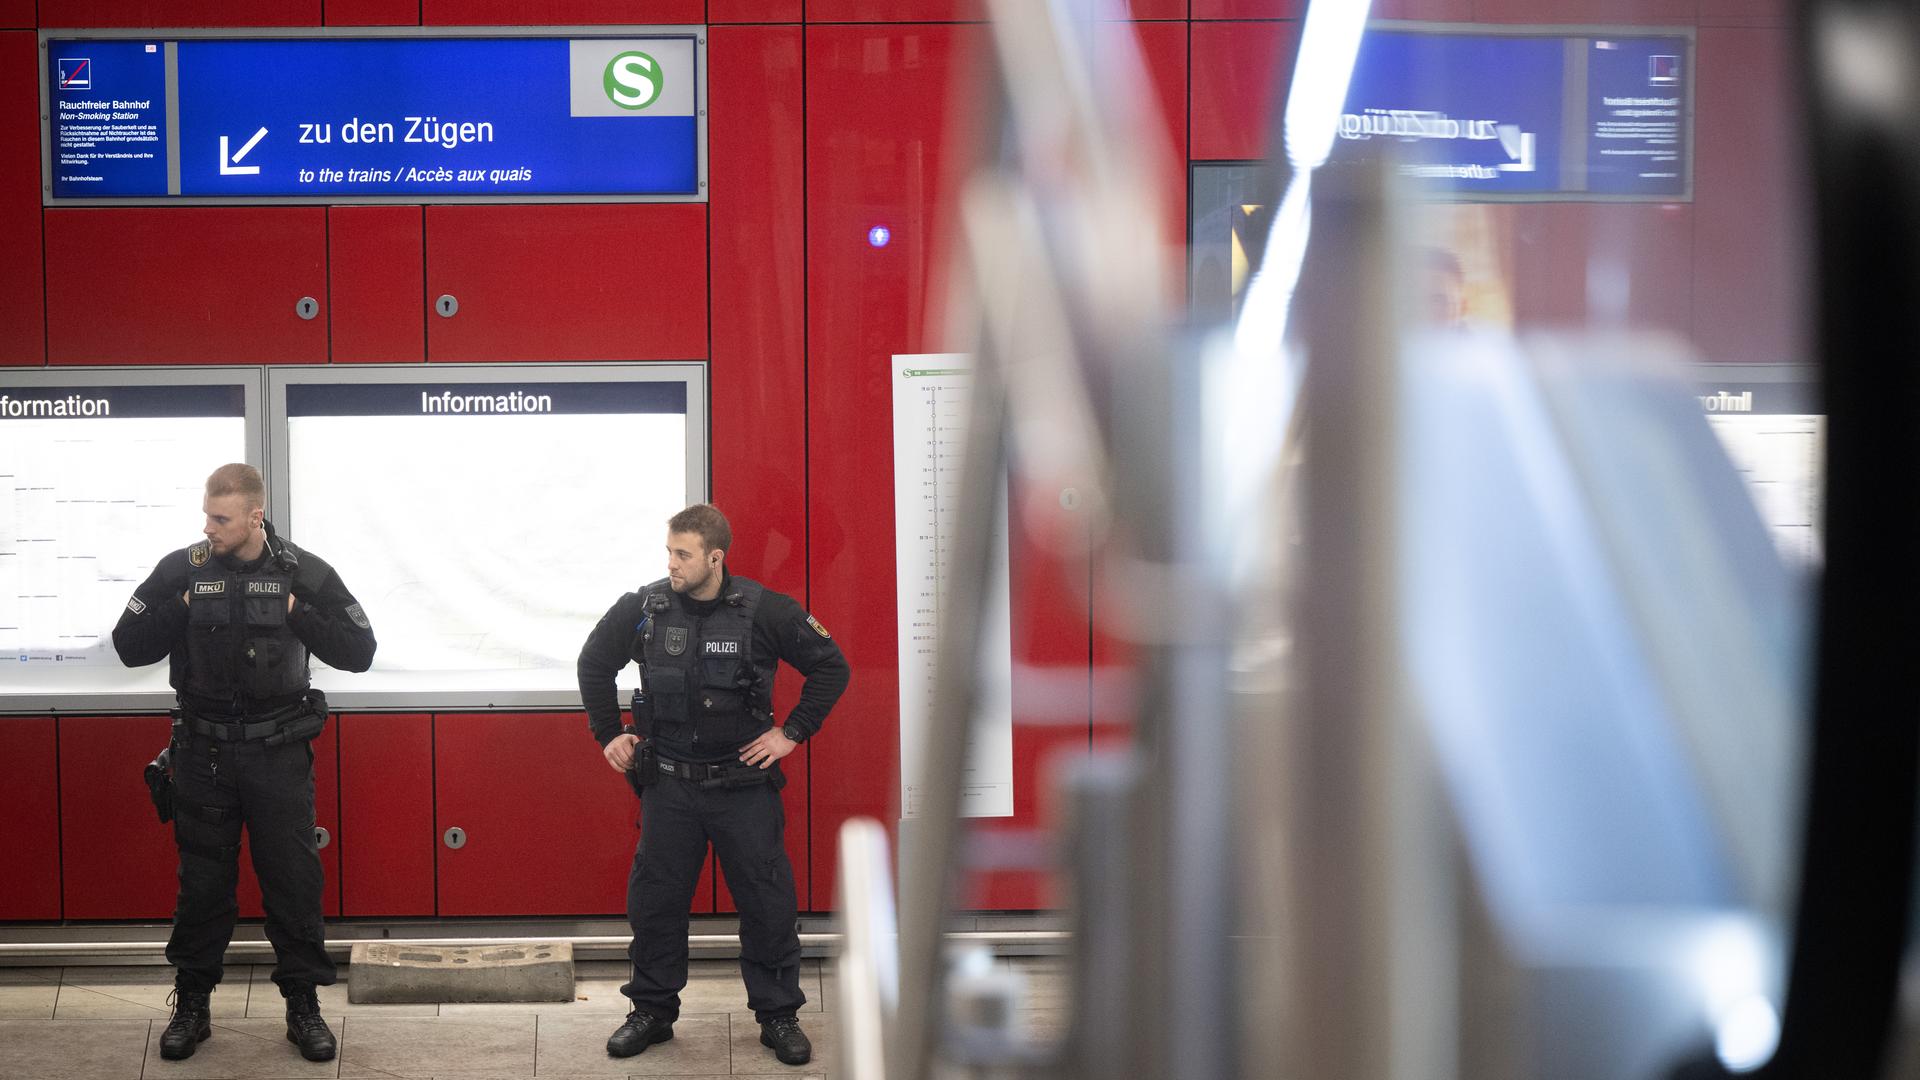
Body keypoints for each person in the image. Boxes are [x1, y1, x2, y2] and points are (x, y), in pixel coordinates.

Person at [112, 463, 376, 1063]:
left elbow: (360, 650)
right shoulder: (183, 568)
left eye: (220, 518)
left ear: (255, 516)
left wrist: (295, 611)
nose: (208, 527)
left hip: (278, 754)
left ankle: (302, 1006)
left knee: (292, 881)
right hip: (203, 754)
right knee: (203, 885)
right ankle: (193, 1004)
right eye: (207, 515)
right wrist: (179, 604)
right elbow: (129, 647)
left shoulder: (303, 572)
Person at [577, 503, 849, 1067]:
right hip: (669, 787)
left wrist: (790, 733)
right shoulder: (644, 608)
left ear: (715, 557)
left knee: (767, 903)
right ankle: (651, 1011)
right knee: (656, 904)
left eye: (683, 554)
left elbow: (831, 666)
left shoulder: (764, 611)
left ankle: (778, 1016)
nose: (672, 564)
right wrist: (609, 734)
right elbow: (593, 662)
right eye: (669, 552)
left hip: (743, 786)